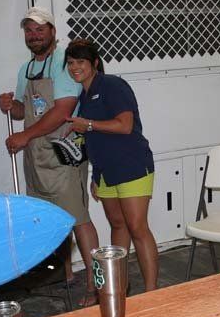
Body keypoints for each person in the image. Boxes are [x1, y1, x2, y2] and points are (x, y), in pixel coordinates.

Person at [0, 7, 99, 302]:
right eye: (29, 30)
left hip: (62, 152)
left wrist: (25, 135)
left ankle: (96, 286)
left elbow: (62, 110)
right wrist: (9, 105)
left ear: (52, 32)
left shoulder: (63, 65)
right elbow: (22, 111)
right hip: (36, 157)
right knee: (50, 219)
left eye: (40, 29)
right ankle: (64, 275)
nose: (34, 35)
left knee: (78, 219)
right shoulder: (25, 69)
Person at [64, 39, 159, 292]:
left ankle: (152, 293)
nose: (75, 67)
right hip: (106, 173)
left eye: (80, 62)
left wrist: (89, 125)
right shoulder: (83, 95)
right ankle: (119, 286)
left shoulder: (113, 85)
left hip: (132, 166)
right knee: (117, 226)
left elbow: (125, 125)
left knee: (138, 228)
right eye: (71, 63)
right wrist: (95, 175)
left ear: (94, 62)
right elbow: (96, 140)